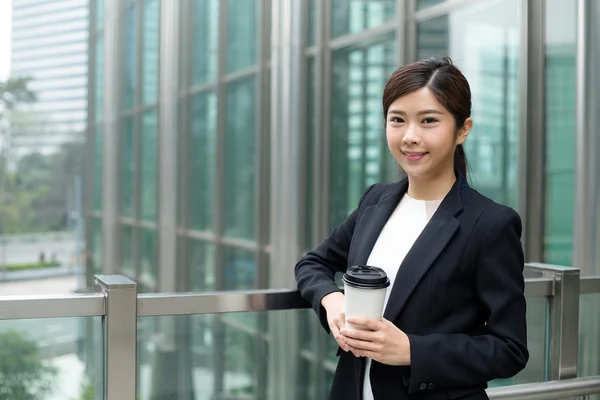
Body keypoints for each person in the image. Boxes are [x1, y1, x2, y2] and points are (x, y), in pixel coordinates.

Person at [294, 57, 528, 400]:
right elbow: (312, 263)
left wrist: (412, 350)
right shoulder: (376, 201)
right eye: (397, 120)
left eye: (429, 121)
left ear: (462, 129)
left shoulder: (490, 223)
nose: (410, 136)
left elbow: (510, 349)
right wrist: (332, 300)